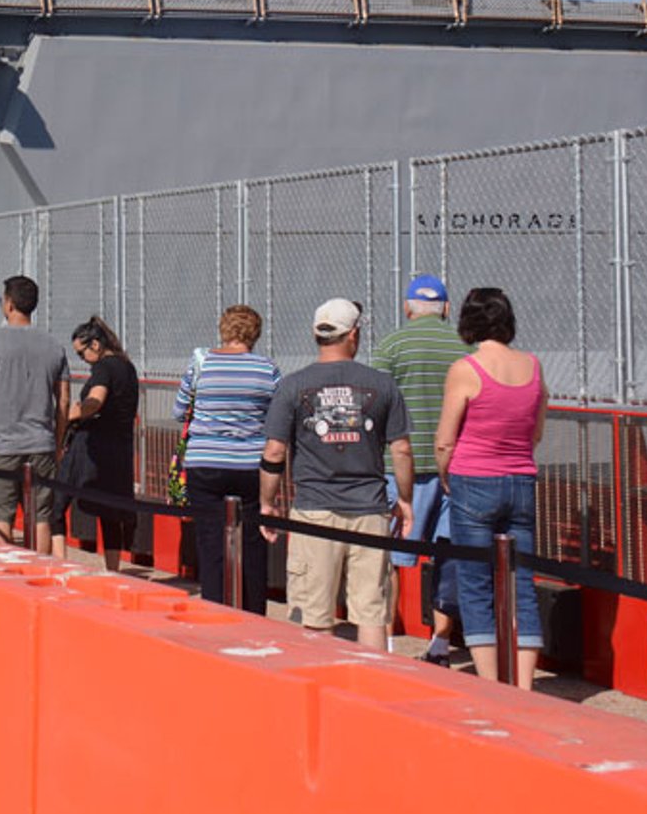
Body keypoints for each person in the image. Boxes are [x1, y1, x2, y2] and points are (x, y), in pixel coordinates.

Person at [259, 299, 413, 652]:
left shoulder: (294, 385)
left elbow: (274, 452)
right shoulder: (382, 384)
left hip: (314, 509)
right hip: (369, 508)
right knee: (371, 611)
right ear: (354, 334)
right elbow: (402, 449)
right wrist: (405, 499)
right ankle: (373, 687)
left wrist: (267, 503)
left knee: (314, 613)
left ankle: (320, 687)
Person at [436, 287, 548, 689]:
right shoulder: (533, 367)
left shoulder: (467, 369)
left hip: (474, 479)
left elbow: (445, 439)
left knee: (475, 581)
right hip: (521, 478)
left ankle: (489, 684)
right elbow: (536, 430)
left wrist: (446, 474)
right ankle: (524, 685)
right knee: (522, 582)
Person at [371, 273, 472, 664]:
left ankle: (389, 641)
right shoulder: (465, 346)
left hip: (401, 465)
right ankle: (441, 643)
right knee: (447, 552)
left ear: (406, 308)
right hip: (454, 465)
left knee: (390, 555)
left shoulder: (391, 345)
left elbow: (376, 402)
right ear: (447, 308)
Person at [174, 304, 280, 611]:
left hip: (205, 461)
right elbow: (275, 419)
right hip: (249, 463)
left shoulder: (201, 364)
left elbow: (179, 411)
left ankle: (215, 607)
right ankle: (253, 612)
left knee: (210, 543)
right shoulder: (267, 369)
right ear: (255, 334)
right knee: (251, 541)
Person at [0, 275, 70, 550]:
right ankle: (40, 575)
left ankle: (2, 576)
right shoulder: (54, 346)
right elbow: (63, 401)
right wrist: (58, 442)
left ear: (8, 303)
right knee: (41, 518)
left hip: (0, 443)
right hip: (41, 442)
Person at [52, 316, 138, 570]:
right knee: (110, 513)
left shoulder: (103, 368)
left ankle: (60, 563)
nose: (83, 359)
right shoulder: (127, 367)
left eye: (82, 353)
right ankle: (113, 571)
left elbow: (95, 401)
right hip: (120, 447)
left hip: (92, 446)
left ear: (96, 345)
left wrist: (66, 415)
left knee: (57, 502)